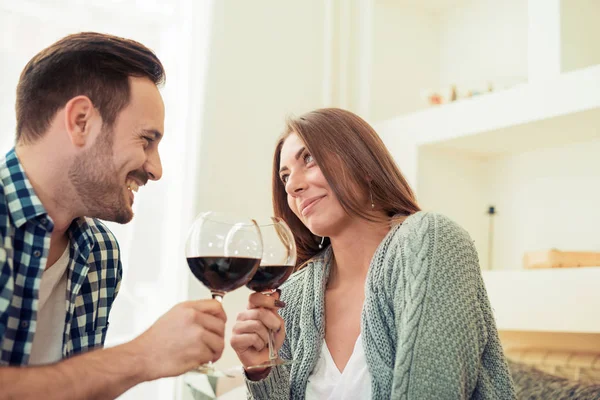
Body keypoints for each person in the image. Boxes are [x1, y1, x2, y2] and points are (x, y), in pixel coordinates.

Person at [230, 108, 516, 399]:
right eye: (285, 176)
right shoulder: (292, 296)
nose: (292, 185)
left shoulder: (430, 241)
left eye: (309, 158)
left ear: (363, 164)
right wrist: (261, 370)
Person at [0, 32, 226, 399]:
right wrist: (142, 356)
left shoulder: (100, 252)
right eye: (146, 140)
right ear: (81, 122)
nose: (156, 168)